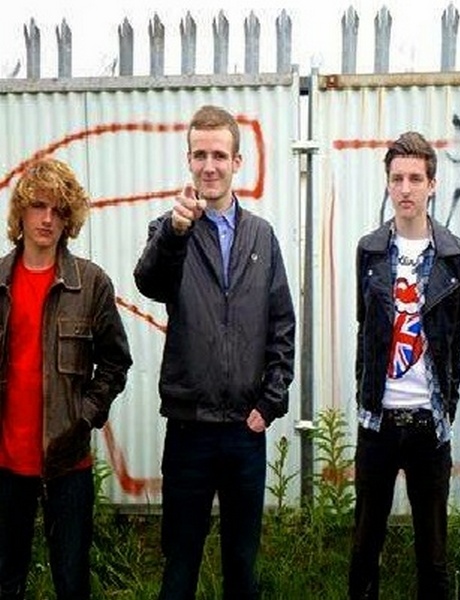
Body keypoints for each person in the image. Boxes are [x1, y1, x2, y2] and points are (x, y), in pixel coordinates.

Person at [134, 104, 295, 600]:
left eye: (219, 155)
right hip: (190, 429)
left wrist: (271, 401)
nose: (209, 166)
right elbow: (149, 282)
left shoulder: (261, 236)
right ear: (188, 159)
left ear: (236, 162)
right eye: (200, 155)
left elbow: (282, 324)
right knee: (180, 563)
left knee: (241, 566)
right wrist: (174, 234)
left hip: (245, 431)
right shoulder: (170, 229)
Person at [348, 131, 460, 599]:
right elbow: (365, 331)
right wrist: (366, 396)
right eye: (397, 178)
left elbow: (457, 340)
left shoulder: (456, 256)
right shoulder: (370, 250)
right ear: (387, 183)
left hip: (428, 425)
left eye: (415, 179)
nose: (405, 188)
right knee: (364, 548)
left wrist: (447, 406)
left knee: (433, 555)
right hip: (378, 424)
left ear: (432, 185)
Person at [0, 157, 132, 600]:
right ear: (21, 212)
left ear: (69, 218)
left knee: (72, 583)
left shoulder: (90, 283)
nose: (47, 219)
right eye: (38, 206)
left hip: (67, 463)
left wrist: (84, 417)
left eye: (59, 210)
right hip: (5, 462)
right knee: (5, 580)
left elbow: (115, 362)